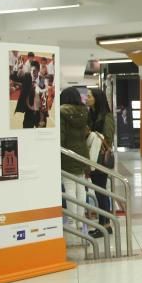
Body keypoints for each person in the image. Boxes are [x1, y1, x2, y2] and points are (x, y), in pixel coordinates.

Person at [59, 87, 90, 239]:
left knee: (70, 187)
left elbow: (61, 136)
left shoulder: (61, 113)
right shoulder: (84, 112)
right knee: (81, 187)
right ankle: (80, 219)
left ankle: (72, 221)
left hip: (68, 154)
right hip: (82, 153)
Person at [86, 87, 115, 239]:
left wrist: (92, 135)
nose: (87, 98)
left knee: (101, 191)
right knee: (98, 191)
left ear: (97, 98)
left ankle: (106, 225)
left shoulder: (107, 116)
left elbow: (108, 138)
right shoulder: (91, 114)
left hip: (101, 158)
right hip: (92, 157)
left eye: (90, 96)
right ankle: (103, 224)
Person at [11, 54, 41, 128]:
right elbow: (13, 77)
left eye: (34, 71)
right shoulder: (27, 76)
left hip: (39, 111)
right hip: (29, 108)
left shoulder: (42, 80)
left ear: (38, 70)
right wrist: (16, 67)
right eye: (31, 70)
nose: (32, 72)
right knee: (27, 127)